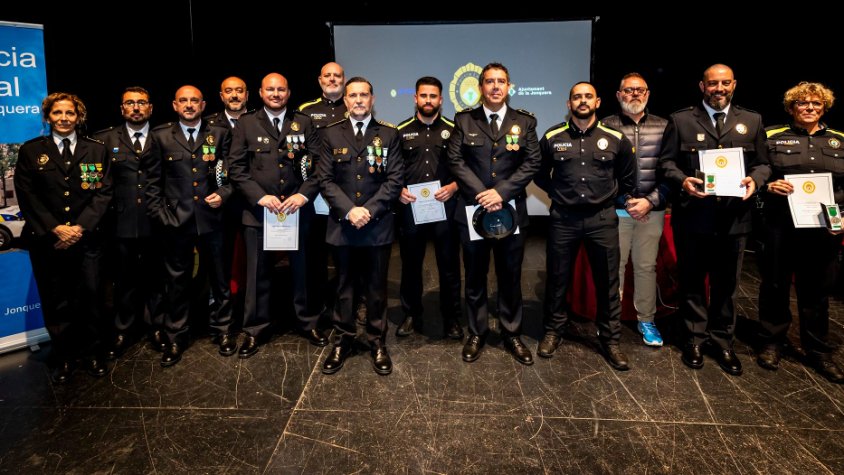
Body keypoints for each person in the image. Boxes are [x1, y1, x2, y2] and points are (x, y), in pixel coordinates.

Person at [659, 64, 771, 376]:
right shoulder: (681, 120)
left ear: (734, 84)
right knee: (692, 281)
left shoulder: (751, 120)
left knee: (727, 284)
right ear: (702, 86)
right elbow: (666, 162)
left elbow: (763, 164)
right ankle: (694, 338)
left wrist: (755, 180)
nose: (718, 88)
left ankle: (723, 341)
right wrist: (682, 181)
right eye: (712, 84)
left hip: (735, 218)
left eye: (724, 83)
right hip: (694, 217)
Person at [535, 82, 636, 370]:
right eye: (577, 97)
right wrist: (558, 194)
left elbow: (628, 178)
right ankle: (554, 331)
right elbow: (540, 173)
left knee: (607, 282)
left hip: (601, 219)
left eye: (588, 96)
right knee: (557, 279)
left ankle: (611, 339)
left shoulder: (615, 138)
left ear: (598, 101)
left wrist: (606, 198)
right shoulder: (553, 136)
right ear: (569, 104)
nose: (582, 101)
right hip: (563, 219)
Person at [227, 72, 328, 358]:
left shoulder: (304, 123)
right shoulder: (246, 123)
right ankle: (255, 328)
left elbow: (320, 165)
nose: (276, 94)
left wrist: (303, 194)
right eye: (270, 89)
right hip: (260, 212)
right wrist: (260, 197)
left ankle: (308, 322)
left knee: (303, 271)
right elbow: (236, 168)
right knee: (257, 272)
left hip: (297, 210)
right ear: (260, 92)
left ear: (288, 92)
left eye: (281, 89)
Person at [446, 63, 541, 365]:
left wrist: (501, 192)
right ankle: (477, 332)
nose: (496, 87)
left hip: (510, 209)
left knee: (510, 276)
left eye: (501, 81)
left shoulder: (524, 122)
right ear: (481, 87)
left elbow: (532, 162)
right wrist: (482, 194)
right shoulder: (464, 120)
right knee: (474, 276)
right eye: (490, 81)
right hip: (474, 209)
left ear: (509, 86)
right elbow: (455, 160)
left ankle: (512, 333)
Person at [14, 92, 112, 384]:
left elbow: (104, 192)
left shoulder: (96, 149)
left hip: (88, 239)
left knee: (92, 298)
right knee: (57, 301)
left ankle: (94, 353)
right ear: (48, 117)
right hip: (49, 241)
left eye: (70, 113)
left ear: (78, 117)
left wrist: (79, 228)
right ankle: (64, 357)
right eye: (58, 113)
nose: (64, 118)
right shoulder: (31, 152)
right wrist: (56, 228)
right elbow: (27, 196)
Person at [757, 82, 844, 384]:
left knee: (817, 291)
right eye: (802, 103)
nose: (809, 108)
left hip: (823, 228)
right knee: (774, 285)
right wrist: (768, 186)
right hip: (781, 224)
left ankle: (818, 350)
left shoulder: (840, 140)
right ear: (792, 107)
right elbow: (759, 171)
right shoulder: (771, 136)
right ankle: (772, 341)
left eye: (816, 104)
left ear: (824, 107)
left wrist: (841, 214)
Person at [143, 85, 235, 367]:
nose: (189, 105)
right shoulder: (159, 136)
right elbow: (151, 184)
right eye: (183, 100)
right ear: (174, 105)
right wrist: (162, 217)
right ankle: (177, 336)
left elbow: (233, 175)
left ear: (204, 104)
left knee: (220, 279)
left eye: (194, 100)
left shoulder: (220, 133)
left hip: (213, 220)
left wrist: (223, 194)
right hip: (176, 222)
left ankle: (223, 330)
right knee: (177, 282)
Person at [318, 77, 403, 375]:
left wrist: (367, 210)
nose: (358, 100)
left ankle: (378, 342)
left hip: (376, 225)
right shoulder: (329, 135)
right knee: (343, 288)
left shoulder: (389, 135)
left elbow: (395, 181)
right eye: (352, 95)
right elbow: (324, 180)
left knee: (377, 289)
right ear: (345, 100)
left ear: (372, 99)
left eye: (363, 95)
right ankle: (342, 341)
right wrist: (349, 210)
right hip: (343, 225)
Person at [93, 87, 166, 358]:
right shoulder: (104, 140)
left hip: (156, 220)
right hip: (120, 223)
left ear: (150, 108)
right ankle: (123, 329)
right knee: (123, 279)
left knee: (157, 278)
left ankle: (156, 326)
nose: (136, 108)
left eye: (141, 103)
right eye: (130, 104)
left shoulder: (164, 137)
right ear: (122, 109)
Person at [601, 73, 669, 347]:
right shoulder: (606, 125)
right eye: (628, 90)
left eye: (639, 90)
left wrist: (650, 200)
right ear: (618, 95)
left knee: (645, 267)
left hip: (651, 211)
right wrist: (628, 199)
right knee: (612, 268)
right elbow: (602, 173)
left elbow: (671, 171)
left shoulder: (665, 126)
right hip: (618, 210)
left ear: (648, 94)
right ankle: (610, 321)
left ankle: (646, 320)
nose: (634, 95)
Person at [395, 76, 463, 340]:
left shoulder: (454, 130)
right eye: (423, 96)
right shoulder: (400, 131)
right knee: (411, 265)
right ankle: (412, 314)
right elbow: (393, 168)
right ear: (415, 98)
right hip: (411, 209)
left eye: (433, 96)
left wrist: (455, 186)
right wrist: (398, 189)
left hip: (444, 209)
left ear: (441, 100)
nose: (428, 101)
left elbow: (465, 167)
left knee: (449, 267)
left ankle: (452, 317)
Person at [298, 62, 347, 129]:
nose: (332, 79)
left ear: (344, 80)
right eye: (327, 76)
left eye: (337, 75)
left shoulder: (354, 108)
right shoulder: (305, 109)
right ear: (320, 81)